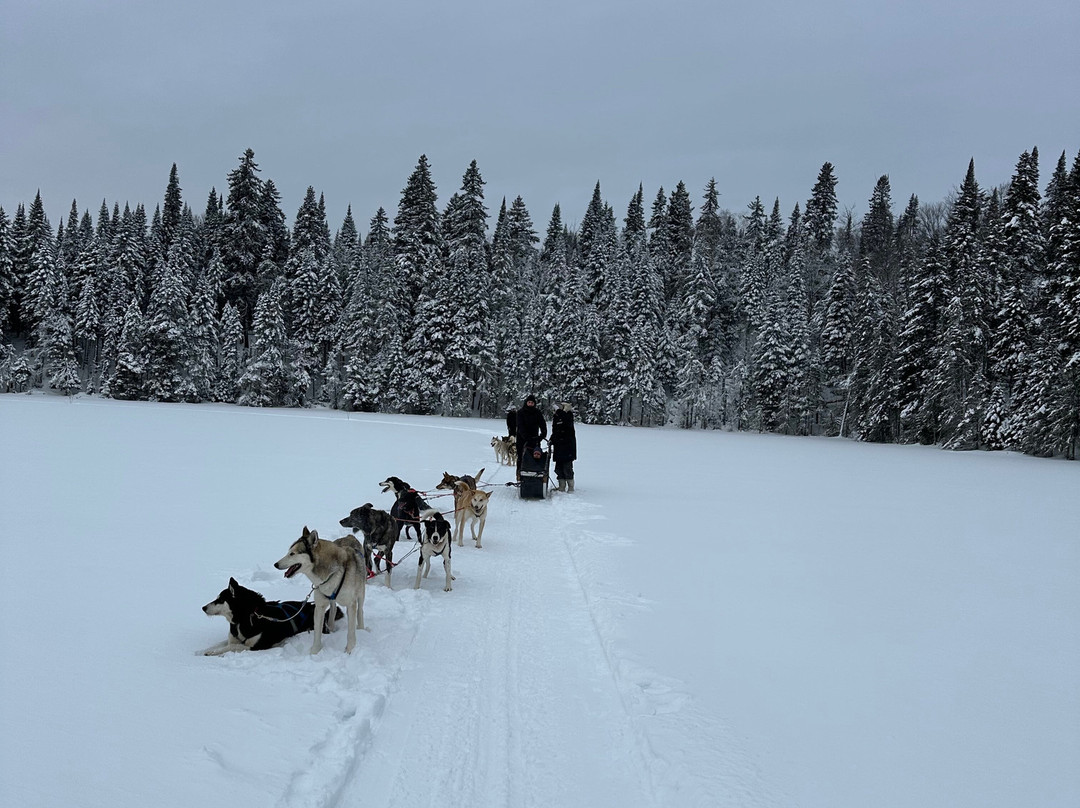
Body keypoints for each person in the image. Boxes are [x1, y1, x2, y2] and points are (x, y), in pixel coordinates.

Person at [515, 394, 547, 480]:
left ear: (534, 404)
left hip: (535, 439)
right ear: (526, 403)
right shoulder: (520, 412)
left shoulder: (537, 412)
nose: (530, 404)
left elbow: (542, 423)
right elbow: (520, 426)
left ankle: (535, 477)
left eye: (532, 403)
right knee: (521, 458)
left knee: (535, 457)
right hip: (522, 439)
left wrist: (543, 434)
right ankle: (519, 477)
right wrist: (525, 437)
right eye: (529, 402)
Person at [550, 401, 577, 491]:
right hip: (559, 446)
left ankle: (570, 487)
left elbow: (567, 425)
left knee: (567, 467)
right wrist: (552, 439)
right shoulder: (556, 417)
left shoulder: (568, 415)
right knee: (558, 468)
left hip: (567, 446)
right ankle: (561, 486)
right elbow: (555, 430)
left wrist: (559, 412)